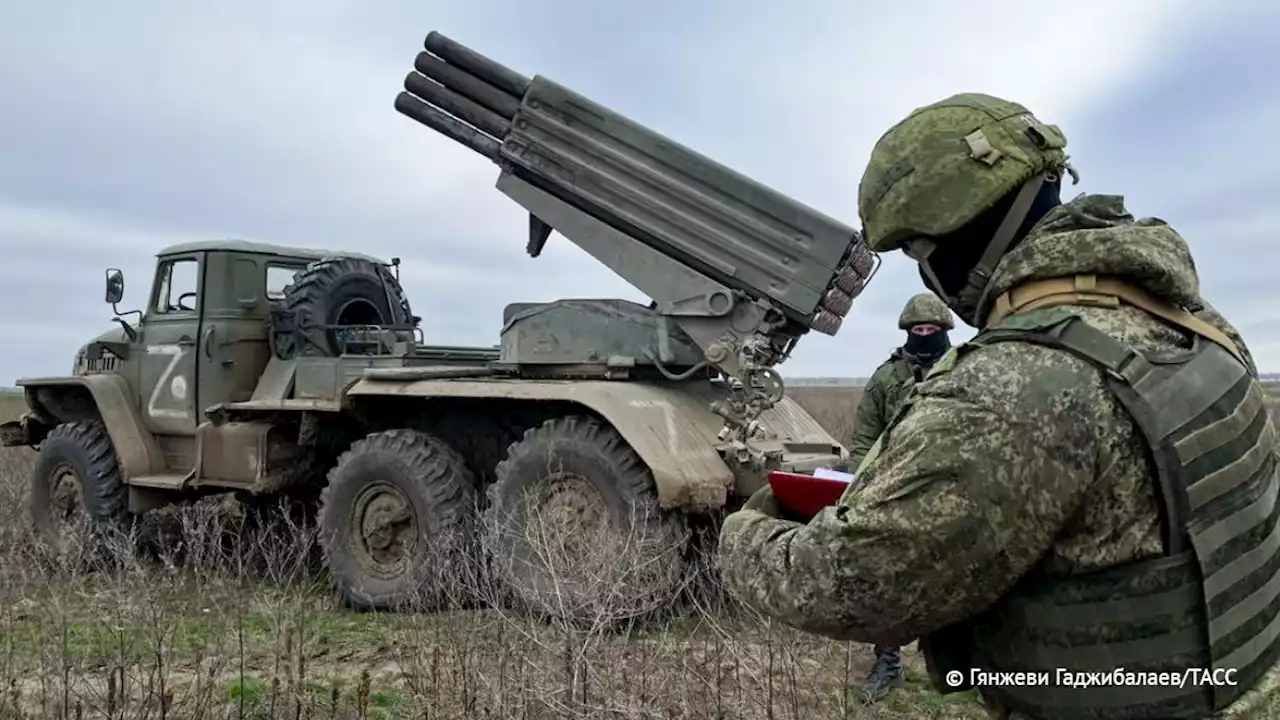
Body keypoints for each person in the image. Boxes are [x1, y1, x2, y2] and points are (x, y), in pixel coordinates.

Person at [717, 92, 1280, 719]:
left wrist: (747, 528)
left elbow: (857, 583)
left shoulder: (1011, 388)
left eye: (918, 254)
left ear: (948, 242)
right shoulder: (1199, 325)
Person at [847, 291, 954, 704]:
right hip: (896, 489)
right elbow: (864, 440)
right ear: (908, 332)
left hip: (951, 488)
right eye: (917, 330)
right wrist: (862, 486)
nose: (924, 335)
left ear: (944, 330)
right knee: (887, 577)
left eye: (931, 329)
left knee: (957, 576)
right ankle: (888, 663)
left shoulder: (964, 370)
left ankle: (955, 663)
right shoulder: (887, 378)